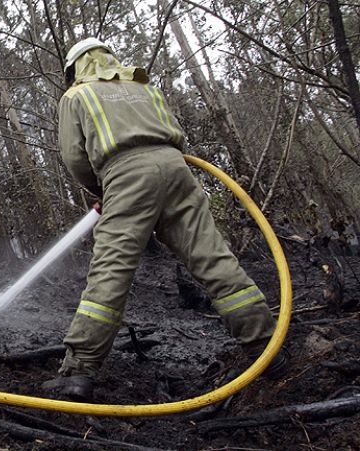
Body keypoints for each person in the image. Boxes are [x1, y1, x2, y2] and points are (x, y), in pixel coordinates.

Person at [45, 37, 287, 401]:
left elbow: (75, 158)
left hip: (125, 174)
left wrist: (102, 189)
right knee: (212, 257)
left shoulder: (76, 96)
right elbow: (177, 133)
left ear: (74, 68)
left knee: (112, 269)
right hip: (176, 169)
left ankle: (79, 371)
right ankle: (267, 346)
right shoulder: (145, 87)